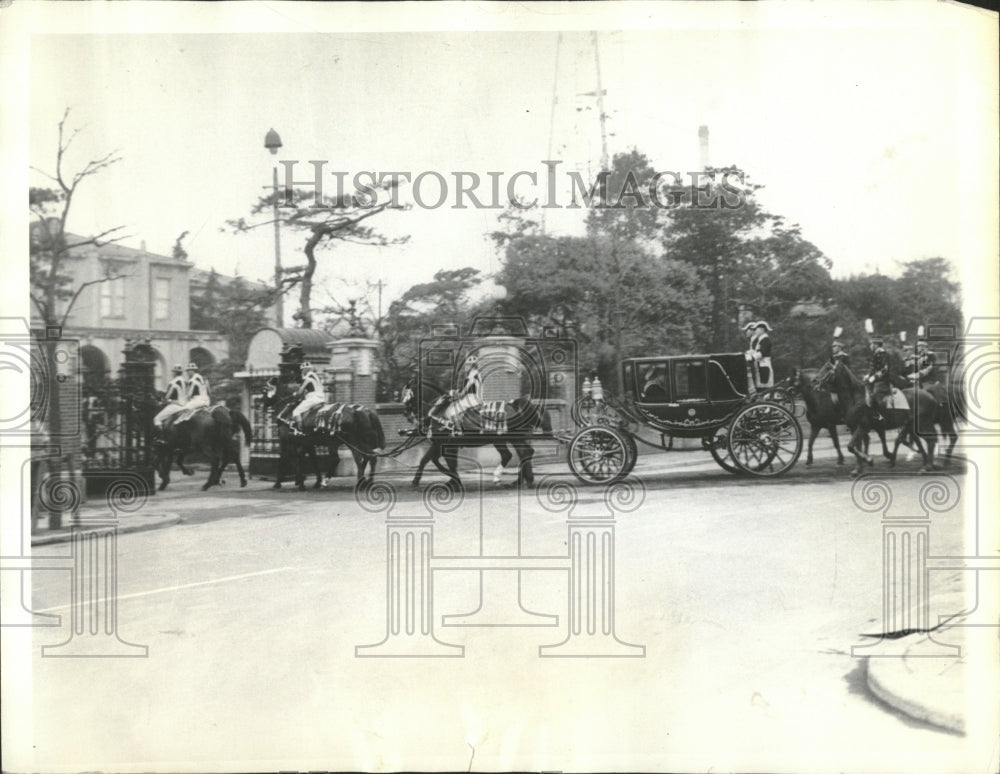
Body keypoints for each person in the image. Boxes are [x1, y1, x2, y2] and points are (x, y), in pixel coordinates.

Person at [290, 361, 326, 433]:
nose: (302, 372)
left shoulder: (307, 378)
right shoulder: (317, 377)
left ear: (305, 370)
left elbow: (300, 392)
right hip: (322, 398)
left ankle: (300, 431)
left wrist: (295, 394)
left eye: (302, 370)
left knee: (296, 411)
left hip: (313, 399)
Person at [864, 333, 892, 423]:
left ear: (876, 344)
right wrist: (868, 375)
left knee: (874, 396)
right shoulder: (876, 354)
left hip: (882, 382)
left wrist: (874, 377)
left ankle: (880, 416)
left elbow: (884, 369)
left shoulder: (883, 354)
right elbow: (873, 368)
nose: (870, 346)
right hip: (875, 381)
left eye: (871, 344)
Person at [154, 365, 188, 430]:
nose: (172, 373)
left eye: (173, 372)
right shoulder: (186, 382)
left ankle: (161, 437)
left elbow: (166, 397)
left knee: (156, 419)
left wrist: (162, 401)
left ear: (175, 373)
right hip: (186, 406)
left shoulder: (173, 382)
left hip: (175, 406)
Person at [750, 321, 774, 388]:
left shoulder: (765, 340)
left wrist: (751, 357)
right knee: (760, 384)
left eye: (756, 329)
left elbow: (761, 353)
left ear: (762, 330)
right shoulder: (760, 340)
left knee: (765, 384)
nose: (755, 331)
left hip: (764, 365)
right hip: (760, 365)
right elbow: (756, 351)